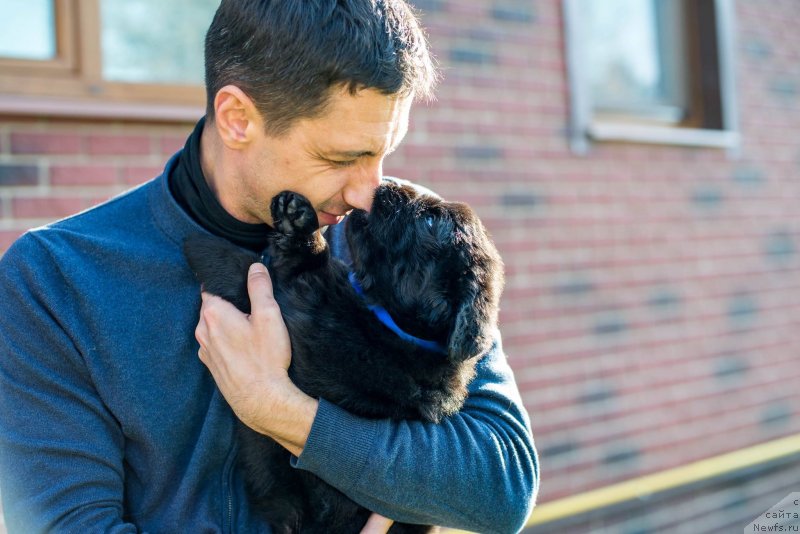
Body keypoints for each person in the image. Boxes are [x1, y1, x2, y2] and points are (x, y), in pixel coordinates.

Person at [0, 1, 538, 532]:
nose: (369, 192)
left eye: (382, 153)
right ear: (238, 119)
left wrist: (283, 413)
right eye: (340, 157)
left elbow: (502, 487)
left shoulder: (399, 242)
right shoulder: (54, 280)